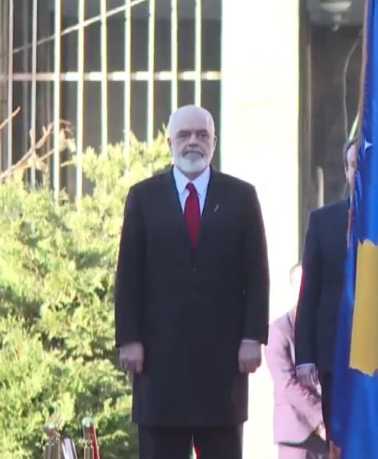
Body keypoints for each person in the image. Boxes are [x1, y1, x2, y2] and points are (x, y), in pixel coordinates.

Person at [114, 105, 270, 459]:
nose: (193, 142)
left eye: (202, 134)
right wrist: (129, 339)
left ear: (214, 141)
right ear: (170, 143)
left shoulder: (241, 197)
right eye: (184, 135)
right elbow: (129, 274)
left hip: (223, 363)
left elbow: (256, 273)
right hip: (159, 363)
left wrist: (252, 337)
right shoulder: (143, 198)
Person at [294, 141, 357, 438]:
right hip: (335, 354)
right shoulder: (323, 221)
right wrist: (305, 355)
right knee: (341, 442)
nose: (360, 171)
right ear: (346, 171)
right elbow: (309, 292)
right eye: (354, 165)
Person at [267, 264, 328, 459]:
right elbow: (287, 384)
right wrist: (321, 417)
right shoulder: (278, 331)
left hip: (331, 437)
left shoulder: (328, 328)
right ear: (293, 289)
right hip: (297, 433)